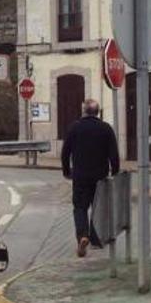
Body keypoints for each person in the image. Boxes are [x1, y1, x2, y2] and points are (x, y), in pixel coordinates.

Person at [61, 99, 120, 258]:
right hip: (100, 176)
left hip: (80, 176)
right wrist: (115, 171)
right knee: (98, 207)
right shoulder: (106, 128)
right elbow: (113, 154)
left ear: (84, 112)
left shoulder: (75, 128)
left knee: (80, 207)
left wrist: (67, 171)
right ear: (98, 112)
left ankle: (82, 236)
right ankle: (95, 238)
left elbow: (65, 152)